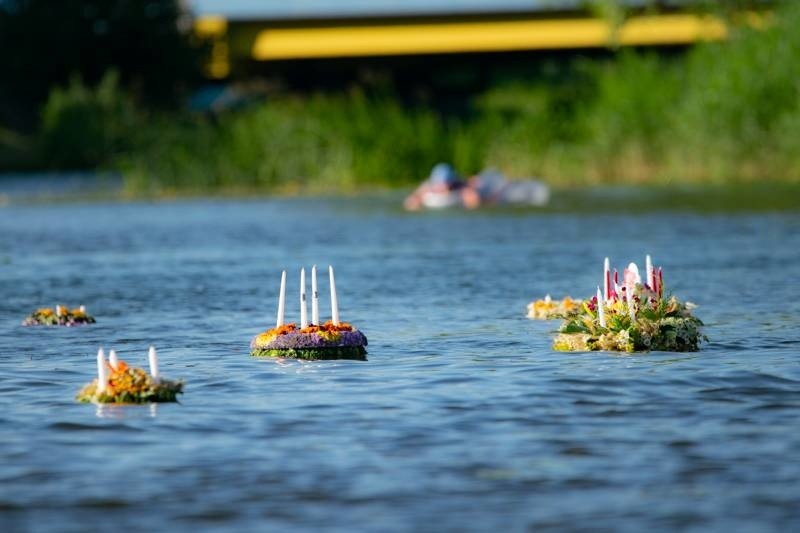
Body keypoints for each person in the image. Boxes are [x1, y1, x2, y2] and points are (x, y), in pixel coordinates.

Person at [404, 163, 548, 210]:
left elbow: (474, 204)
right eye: (441, 184)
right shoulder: (427, 189)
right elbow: (410, 204)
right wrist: (419, 198)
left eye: (446, 184)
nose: (444, 188)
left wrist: (469, 195)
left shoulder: (463, 188)